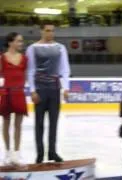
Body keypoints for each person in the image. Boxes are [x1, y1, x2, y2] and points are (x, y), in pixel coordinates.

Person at [26, 21, 70, 164]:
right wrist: (32, 90)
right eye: (47, 30)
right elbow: (31, 70)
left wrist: (66, 87)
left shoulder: (60, 48)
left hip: (54, 89)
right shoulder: (32, 48)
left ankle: (52, 151)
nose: (50, 33)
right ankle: (40, 153)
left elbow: (64, 69)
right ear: (41, 31)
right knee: (39, 123)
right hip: (40, 89)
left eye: (52, 30)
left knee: (54, 122)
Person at [0, 32, 27, 166]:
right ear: (10, 42)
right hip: (6, 93)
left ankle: (16, 153)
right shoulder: (2, 58)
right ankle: (6, 153)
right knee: (6, 124)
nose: (21, 44)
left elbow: (26, 75)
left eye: (21, 41)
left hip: (19, 93)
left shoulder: (25, 58)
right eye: (18, 41)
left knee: (18, 125)